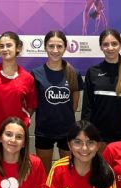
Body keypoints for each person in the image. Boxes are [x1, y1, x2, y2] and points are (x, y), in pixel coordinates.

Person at [31, 31, 84, 174]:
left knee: (67, 172)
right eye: (51, 46)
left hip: (67, 131)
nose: (55, 50)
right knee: (44, 172)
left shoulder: (74, 73)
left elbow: (74, 105)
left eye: (59, 46)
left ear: (65, 48)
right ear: (45, 47)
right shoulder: (36, 74)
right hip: (44, 130)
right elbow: (32, 104)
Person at [82, 29, 121, 147]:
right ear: (101, 47)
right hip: (98, 138)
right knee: (98, 166)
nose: (110, 48)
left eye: (114, 44)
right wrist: (88, 133)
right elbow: (87, 108)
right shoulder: (93, 72)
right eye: (106, 44)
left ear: (120, 45)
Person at [0, 31, 37, 152]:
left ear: (18, 48)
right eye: (1, 46)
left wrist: (19, 124)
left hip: (16, 133)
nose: (5, 49)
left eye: (9, 45)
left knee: (15, 168)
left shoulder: (28, 78)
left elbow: (31, 106)